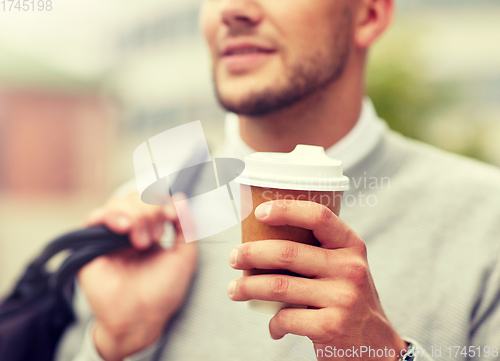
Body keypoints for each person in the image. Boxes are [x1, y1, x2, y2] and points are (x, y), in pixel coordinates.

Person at [56, 0, 500, 360]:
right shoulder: (144, 212)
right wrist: (116, 345)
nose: (232, 9)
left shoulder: (487, 219)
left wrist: (385, 357)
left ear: (368, 15)